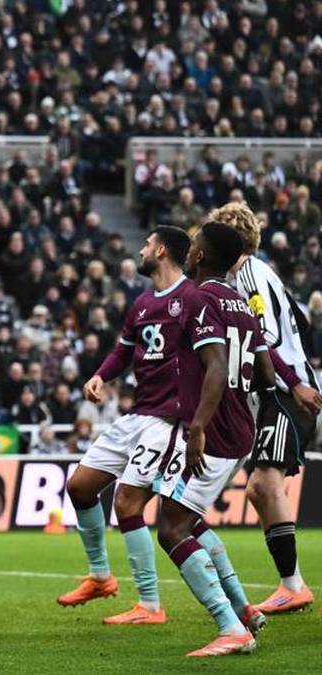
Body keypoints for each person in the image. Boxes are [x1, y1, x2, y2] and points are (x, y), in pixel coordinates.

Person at [56, 227, 194, 624]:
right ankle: (101, 577)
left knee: (128, 503)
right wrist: (101, 375)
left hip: (168, 419)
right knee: (80, 486)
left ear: (162, 250)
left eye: (147, 244)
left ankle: (150, 604)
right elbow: (124, 350)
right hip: (138, 413)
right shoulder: (142, 303)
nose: (142, 249)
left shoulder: (191, 299)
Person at [155, 221, 276, 657]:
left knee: (170, 528)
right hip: (239, 427)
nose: (188, 252)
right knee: (188, 518)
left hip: (216, 432)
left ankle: (230, 626)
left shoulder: (201, 298)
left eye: (194, 246)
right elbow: (265, 373)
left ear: (200, 256)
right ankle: (243, 608)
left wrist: (199, 426)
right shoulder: (241, 302)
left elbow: (217, 367)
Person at [210, 202, 322, 613]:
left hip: (285, 395)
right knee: (261, 489)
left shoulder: (250, 275)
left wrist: (296, 381)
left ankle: (293, 585)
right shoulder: (250, 276)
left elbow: (262, 337)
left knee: (262, 485)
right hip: (273, 396)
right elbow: (301, 322)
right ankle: (291, 584)